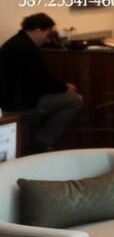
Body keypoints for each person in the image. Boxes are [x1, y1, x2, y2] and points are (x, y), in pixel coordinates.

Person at [0, 13, 82, 154]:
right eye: (47, 32)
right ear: (37, 30)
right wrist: (65, 87)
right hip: (18, 106)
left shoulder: (16, 42)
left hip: (10, 101)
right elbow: (41, 81)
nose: (47, 37)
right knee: (75, 100)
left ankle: (37, 142)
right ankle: (39, 143)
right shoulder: (25, 48)